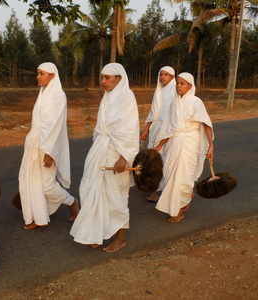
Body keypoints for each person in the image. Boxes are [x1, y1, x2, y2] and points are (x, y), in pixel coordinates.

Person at [70, 63, 139, 253]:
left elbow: (130, 129)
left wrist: (124, 157)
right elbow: (100, 127)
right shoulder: (108, 97)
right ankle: (95, 233)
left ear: (118, 78)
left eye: (107, 78)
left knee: (116, 196)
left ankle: (121, 238)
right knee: (91, 190)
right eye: (102, 78)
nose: (103, 82)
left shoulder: (127, 97)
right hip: (100, 150)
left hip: (118, 154)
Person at [18, 62, 79, 230]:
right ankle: (36, 218)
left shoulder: (58, 95)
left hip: (47, 146)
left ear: (52, 75)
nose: (38, 77)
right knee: (28, 180)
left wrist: (50, 152)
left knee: (46, 185)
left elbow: (55, 126)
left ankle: (72, 202)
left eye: (41, 74)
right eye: (37, 73)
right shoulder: (43, 93)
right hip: (33, 143)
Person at [154, 72, 214, 223]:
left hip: (189, 143)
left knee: (183, 176)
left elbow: (206, 124)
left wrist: (211, 145)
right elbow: (170, 127)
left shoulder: (196, 102)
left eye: (182, 83)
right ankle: (184, 199)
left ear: (190, 86)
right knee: (169, 174)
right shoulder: (174, 103)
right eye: (178, 83)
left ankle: (178, 211)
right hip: (174, 142)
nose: (179, 86)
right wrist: (160, 145)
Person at [140, 66, 176, 202]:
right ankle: (155, 190)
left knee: (165, 162)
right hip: (156, 129)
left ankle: (163, 191)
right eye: (161, 74)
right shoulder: (159, 91)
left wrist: (164, 138)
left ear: (172, 77)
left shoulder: (175, 92)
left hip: (168, 132)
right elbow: (153, 112)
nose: (162, 77)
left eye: (166, 75)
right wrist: (146, 129)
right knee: (154, 161)